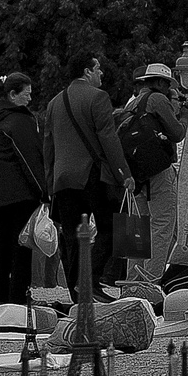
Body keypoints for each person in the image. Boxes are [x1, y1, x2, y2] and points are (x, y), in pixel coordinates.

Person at [44, 51, 132, 304]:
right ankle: (90, 282)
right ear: (87, 71)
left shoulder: (54, 103)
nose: (101, 73)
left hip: (62, 179)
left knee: (71, 237)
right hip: (92, 175)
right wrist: (124, 174)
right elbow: (108, 138)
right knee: (111, 228)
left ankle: (76, 293)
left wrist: (50, 183)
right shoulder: (98, 98)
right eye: (98, 68)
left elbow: (48, 146)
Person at [120, 63, 188, 284]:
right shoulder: (158, 99)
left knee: (136, 230)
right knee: (161, 227)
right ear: (159, 82)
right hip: (158, 170)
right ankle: (150, 284)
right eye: (167, 84)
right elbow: (177, 133)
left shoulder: (132, 103)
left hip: (135, 173)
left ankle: (131, 285)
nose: (168, 88)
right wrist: (184, 113)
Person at [0, 73, 47, 305]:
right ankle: (19, 298)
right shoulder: (21, 121)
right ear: (13, 94)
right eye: (26, 93)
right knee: (21, 248)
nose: (30, 99)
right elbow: (30, 159)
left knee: (1, 248)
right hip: (21, 194)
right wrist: (43, 192)